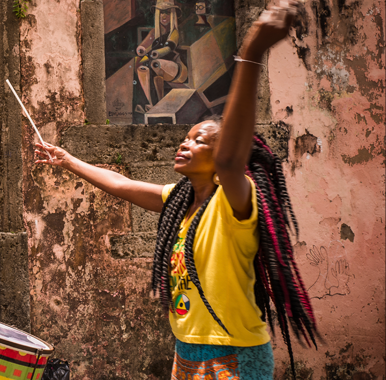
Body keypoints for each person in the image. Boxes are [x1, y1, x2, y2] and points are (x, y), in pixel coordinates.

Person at [35, 2, 314, 378]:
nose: (184, 144)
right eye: (185, 138)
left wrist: (250, 52)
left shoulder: (235, 201)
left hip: (235, 354)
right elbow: (122, 184)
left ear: (222, 156)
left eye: (199, 141)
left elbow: (232, 160)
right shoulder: (180, 201)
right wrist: (67, 160)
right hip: (188, 347)